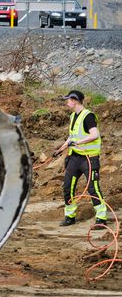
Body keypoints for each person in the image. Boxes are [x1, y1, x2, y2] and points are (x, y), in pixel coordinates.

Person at [53, 90, 107, 228]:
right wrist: (61, 149)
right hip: (75, 158)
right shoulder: (73, 116)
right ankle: (70, 216)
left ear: (75, 100)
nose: (67, 102)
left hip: (89, 159)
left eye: (68, 100)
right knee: (67, 187)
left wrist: (79, 143)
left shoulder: (88, 116)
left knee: (93, 188)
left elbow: (94, 134)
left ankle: (101, 218)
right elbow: (72, 136)